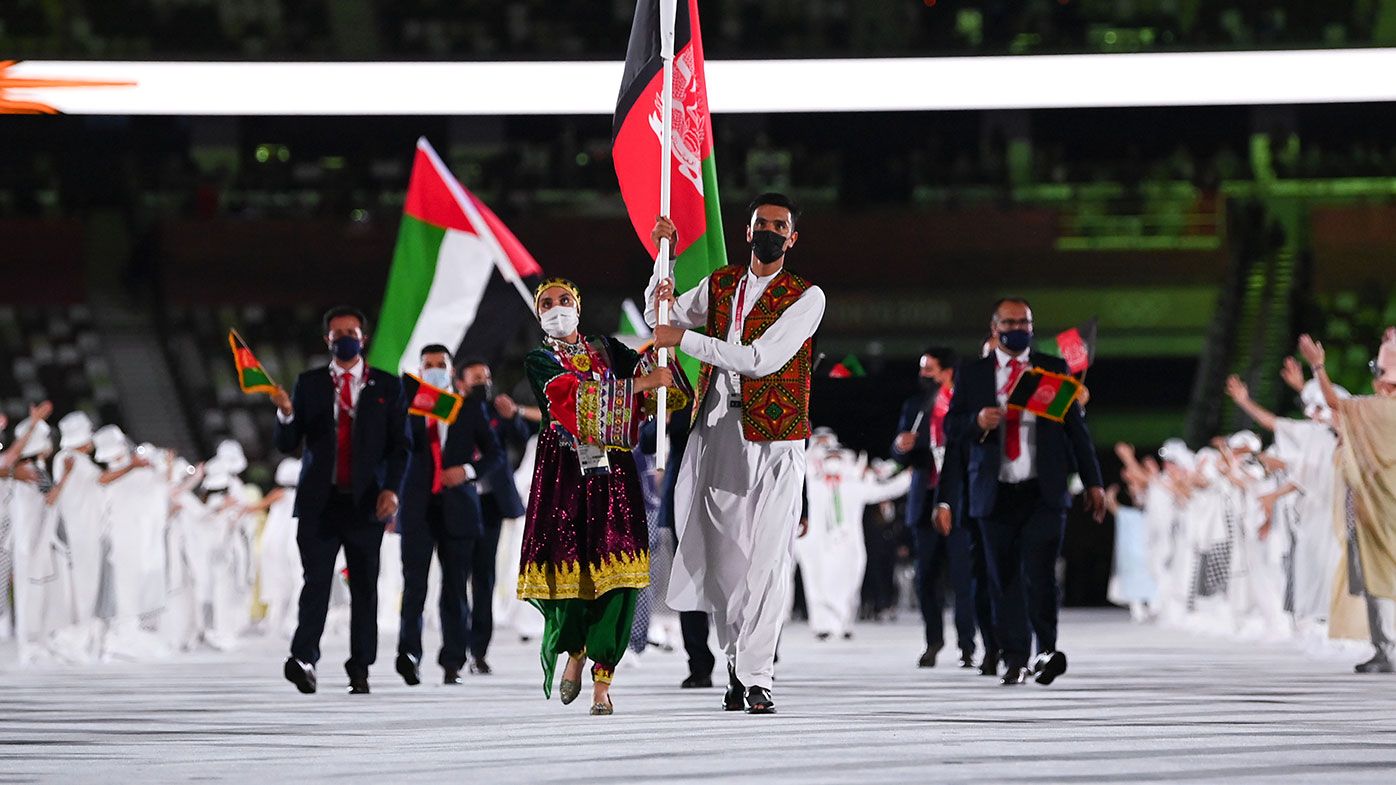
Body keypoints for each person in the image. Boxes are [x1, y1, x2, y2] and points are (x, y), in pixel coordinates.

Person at [648, 192, 826, 715]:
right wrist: (666, 257)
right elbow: (661, 314)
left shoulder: (805, 297)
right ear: (747, 231)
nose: (769, 231)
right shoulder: (722, 284)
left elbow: (760, 360)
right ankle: (733, 659)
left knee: (769, 560)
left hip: (777, 439)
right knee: (725, 562)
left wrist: (686, 340)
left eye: (780, 225)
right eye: (761, 223)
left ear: (792, 238)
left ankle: (758, 676)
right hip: (718, 432)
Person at [517, 277, 671, 716]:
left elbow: (653, 381)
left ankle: (603, 682)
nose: (557, 307)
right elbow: (568, 401)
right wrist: (639, 388)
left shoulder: (608, 350)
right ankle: (576, 651)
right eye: (547, 303)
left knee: (621, 578)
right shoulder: (540, 359)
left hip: (615, 476)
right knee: (573, 577)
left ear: (579, 307)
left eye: (565, 299)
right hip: (566, 477)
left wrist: (663, 340)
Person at [936, 297, 1105, 686]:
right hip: (993, 492)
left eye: (1025, 322)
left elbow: (1075, 431)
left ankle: (1045, 650)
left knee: (1041, 573)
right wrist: (977, 420)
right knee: (1004, 577)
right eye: (1010, 322)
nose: (1019, 328)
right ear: (995, 328)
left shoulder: (1052, 368)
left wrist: (1093, 480)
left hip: (1042, 490)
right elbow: (953, 432)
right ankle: (1014, 655)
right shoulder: (973, 374)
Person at [271, 305, 411, 695]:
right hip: (320, 503)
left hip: (366, 503)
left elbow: (401, 447)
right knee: (315, 582)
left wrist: (392, 490)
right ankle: (303, 659)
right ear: (327, 340)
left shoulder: (386, 386)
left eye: (352, 330)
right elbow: (287, 443)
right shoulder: (310, 383)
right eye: (338, 333)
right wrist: (284, 414)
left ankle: (360, 668)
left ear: (363, 338)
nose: (345, 337)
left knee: (364, 587)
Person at [395, 344, 504, 687]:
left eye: (441, 364)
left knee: (455, 588)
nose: (435, 369)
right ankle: (409, 655)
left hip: (458, 507)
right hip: (416, 506)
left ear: (451, 370)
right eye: (428, 365)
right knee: (414, 586)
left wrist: (468, 471)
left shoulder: (467, 408)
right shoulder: (407, 405)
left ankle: (453, 660)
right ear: (420, 369)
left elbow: (494, 454)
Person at [1300, 331, 1396, 673]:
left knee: (1379, 579)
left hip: (1377, 511)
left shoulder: (1375, 410)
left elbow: (1335, 403)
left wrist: (1318, 367)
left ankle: (1386, 649)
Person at [892, 346, 991, 669]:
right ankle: (933, 640)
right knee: (926, 579)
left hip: (960, 504)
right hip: (924, 501)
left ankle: (967, 644)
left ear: (948, 371)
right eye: (922, 369)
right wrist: (899, 446)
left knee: (964, 579)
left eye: (930, 369)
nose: (924, 375)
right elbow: (899, 453)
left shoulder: (964, 404)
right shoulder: (914, 406)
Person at [458, 357, 530, 675]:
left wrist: (513, 416)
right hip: (457, 502)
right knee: (455, 578)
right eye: (476, 379)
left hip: (489, 505)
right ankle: (454, 646)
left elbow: (520, 438)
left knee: (484, 577)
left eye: (486, 378)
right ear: (460, 382)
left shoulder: (495, 413)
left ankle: (478, 650)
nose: (483, 384)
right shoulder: (450, 411)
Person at [797, 441, 911, 640]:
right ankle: (822, 625)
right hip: (821, 543)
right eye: (829, 456)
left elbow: (885, 490)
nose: (833, 461)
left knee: (850, 582)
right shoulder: (812, 485)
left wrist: (909, 476)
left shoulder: (855, 485)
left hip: (850, 543)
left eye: (837, 457)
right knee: (818, 582)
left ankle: (844, 623)